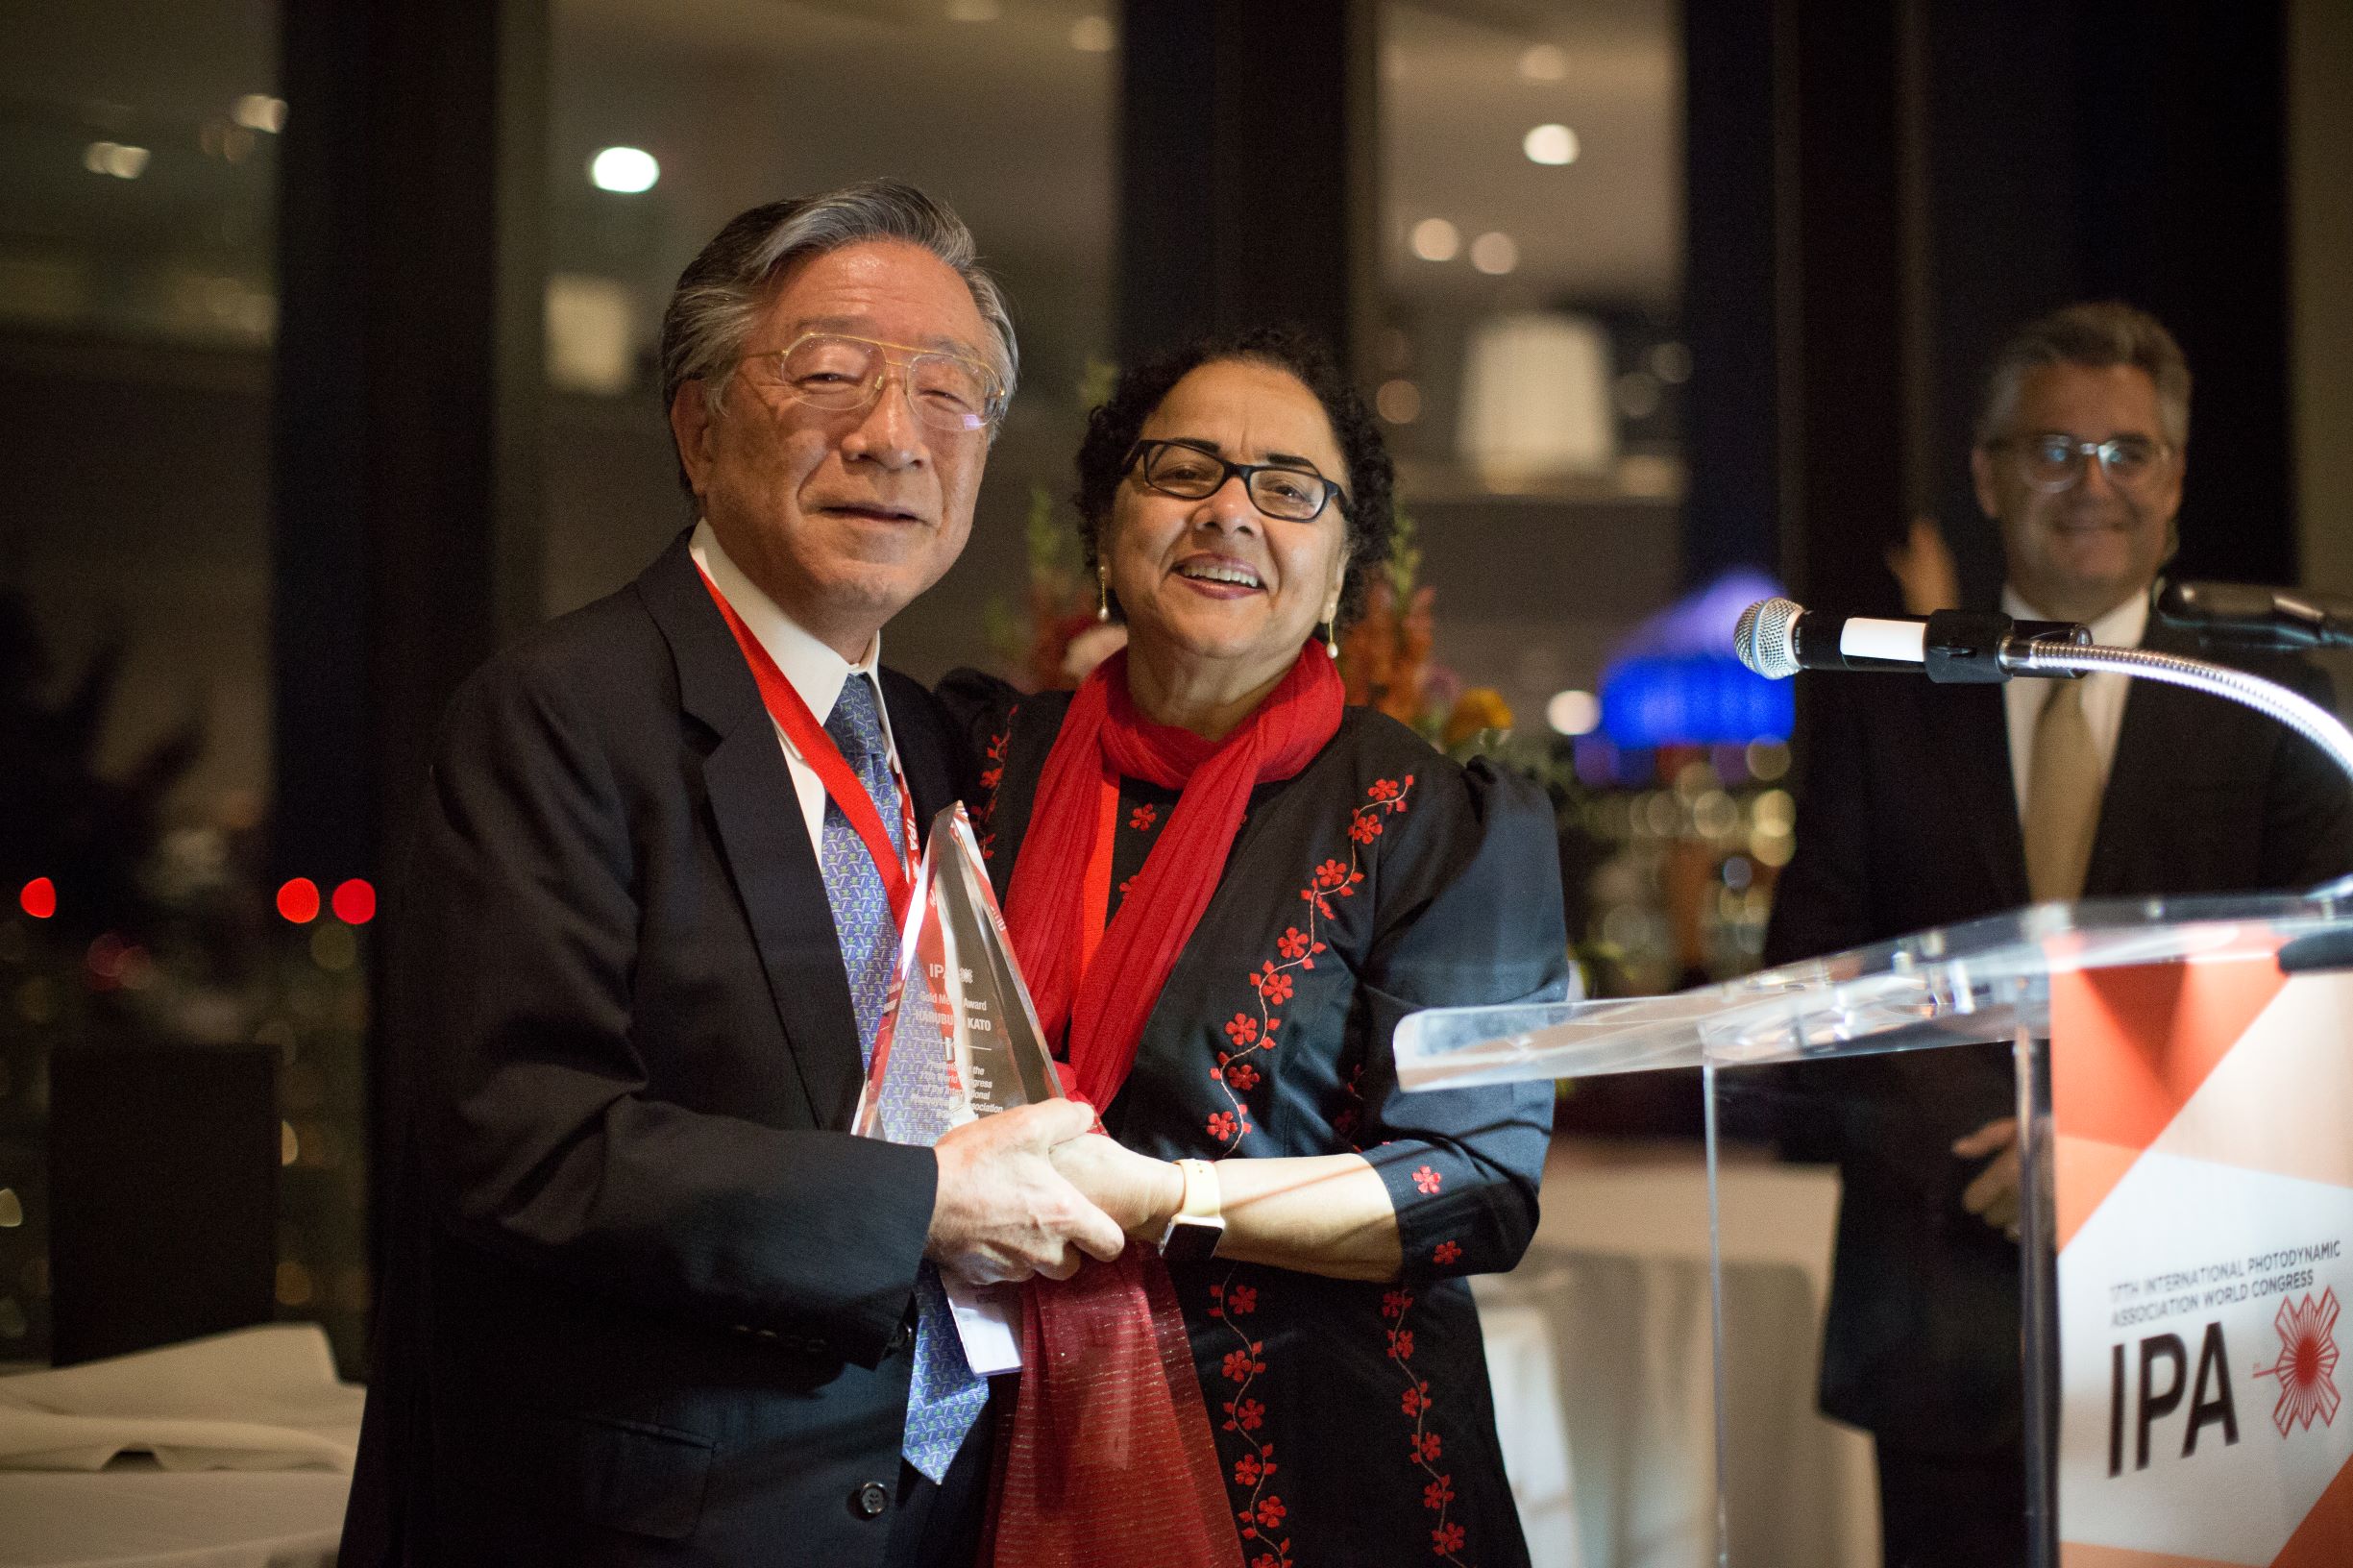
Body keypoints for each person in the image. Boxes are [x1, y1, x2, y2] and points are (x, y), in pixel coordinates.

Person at [338, 182, 1129, 1568]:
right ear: (698, 427)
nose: (893, 436)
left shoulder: (934, 742)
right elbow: (521, 1140)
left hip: (935, 1503)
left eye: (950, 394)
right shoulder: (561, 712)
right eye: (828, 376)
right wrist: (926, 1208)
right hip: (652, 1522)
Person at [942, 327, 1570, 1567]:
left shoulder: (1431, 818)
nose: (1229, 514)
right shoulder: (980, 763)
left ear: (1340, 570)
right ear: (1109, 529)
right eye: (1182, 471)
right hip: (986, 1433)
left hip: (1320, 1465)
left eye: (1287, 489)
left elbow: (1475, 1184)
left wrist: (1172, 1200)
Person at [1762, 301, 2353, 1568]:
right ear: (1987, 474)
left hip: (2217, 1328)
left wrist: (2107, 1147)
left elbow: (2325, 991)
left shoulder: (2268, 698)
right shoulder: (1886, 701)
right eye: (2052, 450)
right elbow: (1808, 978)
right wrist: (2006, 1144)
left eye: (2124, 452)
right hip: (1941, 1304)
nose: (2092, 485)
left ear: (2173, 477)